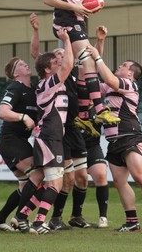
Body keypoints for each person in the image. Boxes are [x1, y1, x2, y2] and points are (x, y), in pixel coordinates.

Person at [84, 44, 142, 232]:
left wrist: (98, 57)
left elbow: (108, 77)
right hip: (113, 142)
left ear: (131, 74)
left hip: (130, 138)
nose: (120, 66)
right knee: (119, 182)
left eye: (124, 65)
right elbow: (92, 79)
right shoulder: (108, 87)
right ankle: (132, 222)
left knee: (140, 178)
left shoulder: (129, 85)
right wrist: (94, 49)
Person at [29, 13, 99, 230]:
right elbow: (36, 55)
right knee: (62, 179)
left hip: (73, 128)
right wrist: (37, 30)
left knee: (82, 178)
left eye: (62, 52)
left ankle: (75, 215)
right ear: (54, 62)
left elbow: (91, 68)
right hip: (57, 131)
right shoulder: (53, 78)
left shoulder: (72, 72)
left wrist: (98, 43)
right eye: (56, 54)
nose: (60, 55)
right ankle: (53, 218)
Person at [43, 0, 120, 129]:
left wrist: (91, 6)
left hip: (78, 19)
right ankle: (101, 110)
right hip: (63, 18)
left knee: (86, 66)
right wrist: (74, 7)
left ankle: (84, 115)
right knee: (87, 59)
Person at [14, 27, 74, 234]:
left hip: (48, 136)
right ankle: (39, 223)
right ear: (48, 70)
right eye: (55, 63)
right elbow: (67, 66)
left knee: (41, 177)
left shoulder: (50, 82)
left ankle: (21, 216)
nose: (60, 64)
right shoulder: (49, 83)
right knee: (56, 181)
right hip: (50, 137)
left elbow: (66, 65)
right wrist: (66, 40)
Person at [0, 57, 43, 232]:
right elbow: (2, 111)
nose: (25, 63)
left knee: (24, 185)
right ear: (15, 73)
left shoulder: (33, 89)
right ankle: (21, 219)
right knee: (38, 175)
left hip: (20, 141)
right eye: (20, 64)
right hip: (10, 141)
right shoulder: (15, 87)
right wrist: (23, 117)